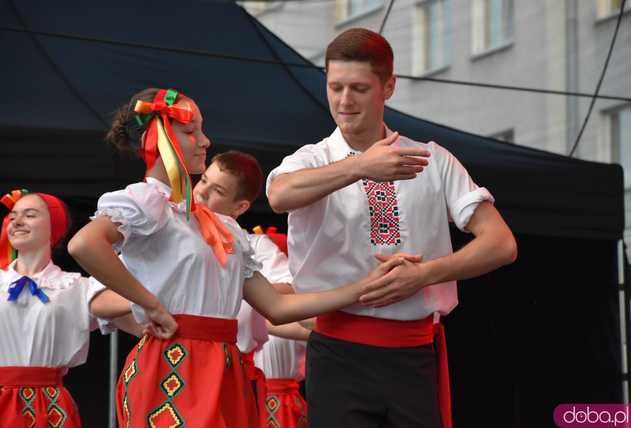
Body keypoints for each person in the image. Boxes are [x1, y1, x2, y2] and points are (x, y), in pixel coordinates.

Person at [67, 88, 407, 428]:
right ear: (162, 141)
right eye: (191, 131)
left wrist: (362, 287)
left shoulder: (222, 226)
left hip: (225, 367)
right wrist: (150, 305)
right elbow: (85, 244)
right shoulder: (149, 202)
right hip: (173, 365)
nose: (205, 140)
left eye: (201, 129)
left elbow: (277, 307)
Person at [266, 28, 518, 428]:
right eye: (335, 87)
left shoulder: (432, 159)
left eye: (358, 88)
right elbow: (279, 195)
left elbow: (501, 244)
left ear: (389, 87)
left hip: (412, 354)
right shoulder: (313, 158)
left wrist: (425, 274)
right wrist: (359, 167)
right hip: (336, 351)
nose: (344, 101)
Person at [194, 150, 312, 428]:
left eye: (218, 190)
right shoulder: (175, 231)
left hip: (235, 373)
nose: (202, 193)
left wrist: (243, 290)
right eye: (202, 181)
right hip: (183, 365)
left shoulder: (252, 246)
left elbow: (290, 287)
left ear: (240, 207)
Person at [0, 189, 137, 427]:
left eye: (30, 215)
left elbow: (137, 303)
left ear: (54, 225)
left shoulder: (77, 288)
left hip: (48, 406)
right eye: (13, 216)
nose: (17, 221)